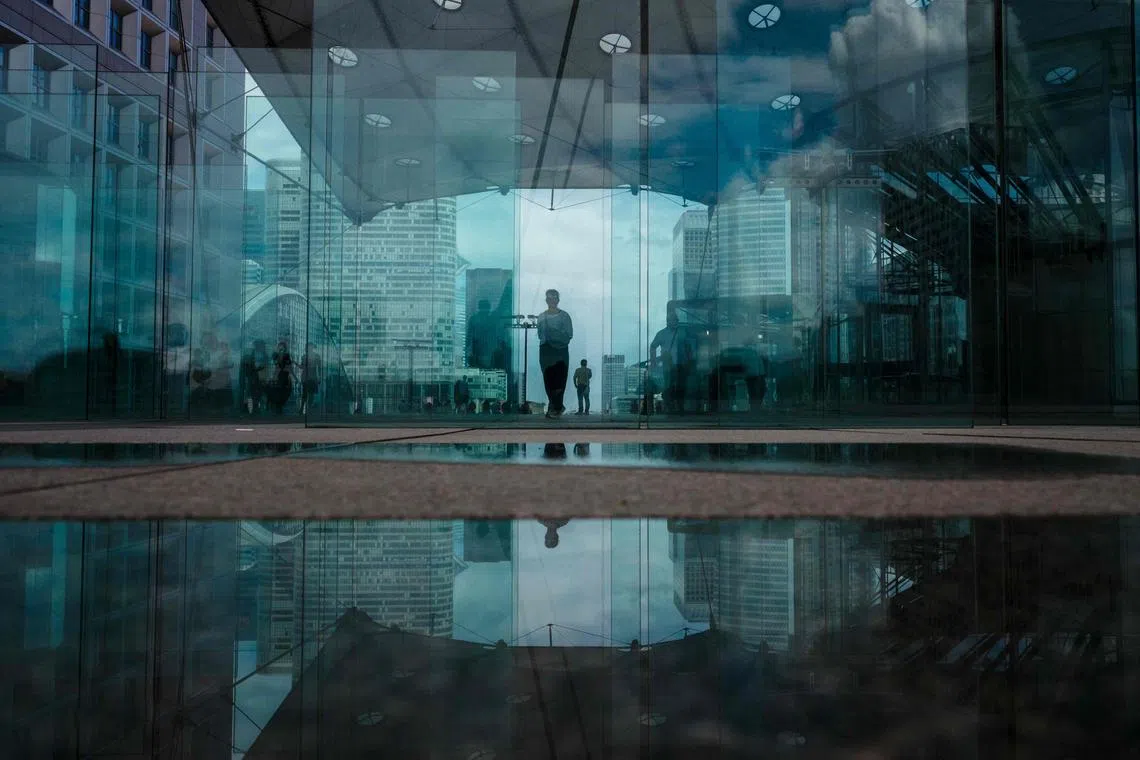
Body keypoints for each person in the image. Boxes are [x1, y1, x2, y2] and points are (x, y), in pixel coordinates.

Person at [536, 288, 573, 419]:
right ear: (546, 300)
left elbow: (569, 334)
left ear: (558, 300)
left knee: (560, 380)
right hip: (546, 352)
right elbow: (540, 335)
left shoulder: (565, 316)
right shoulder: (541, 316)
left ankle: (556, 406)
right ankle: (554, 406)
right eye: (549, 298)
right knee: (548, 380)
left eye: (554, 297)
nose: (552, 300)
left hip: (560, 352)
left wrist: (554, 335)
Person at [300, 343, 323, 415]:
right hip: (307, 377)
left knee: (310, 394)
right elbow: (302, 367)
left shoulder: (316, 356)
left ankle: (306, 409)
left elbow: (319, 368)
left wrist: (319, 377)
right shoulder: (304, 356)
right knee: (306, 393)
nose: (308, 348)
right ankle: (303, 408)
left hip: (312, 377)